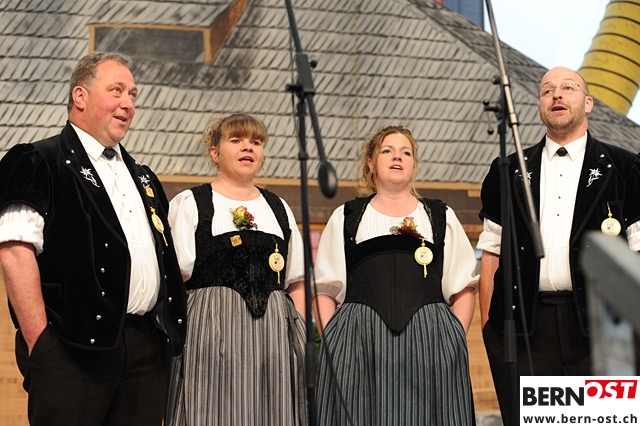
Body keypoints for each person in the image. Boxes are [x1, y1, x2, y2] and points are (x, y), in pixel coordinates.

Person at [0, 52, 188, 426]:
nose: (128, 103)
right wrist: (42, 345)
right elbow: (14, 252)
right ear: (80, 96)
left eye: (133, 94)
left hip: (145, 350)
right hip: (71, 351)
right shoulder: (38, 160)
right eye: (116, 90)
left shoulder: (144, 177)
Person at [477, 66, 640, 423]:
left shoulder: (626, 168)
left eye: (568, 87)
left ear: (588, 102)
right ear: (539, 105)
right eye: (547, 90)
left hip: (605, 330)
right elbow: (491, 255)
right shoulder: (508, 171)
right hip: (528, 331)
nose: (557, 94)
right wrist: (492, 330)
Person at [313, 125, 478, 426]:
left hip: (429, 342)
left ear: (414, 164)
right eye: (387, 150)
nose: (397, 157)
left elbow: (463, 287)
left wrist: (452, 339)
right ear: (371, 163)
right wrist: (334, 342)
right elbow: (325, 288)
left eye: (406, 152)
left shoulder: (440, 216)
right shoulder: (347, 217)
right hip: (359, 343)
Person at [165, 113, 308, 426]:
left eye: (256, 142)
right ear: (215, 152)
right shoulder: (191, 202)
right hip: (210, 329)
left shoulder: (278, 207)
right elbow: (173, 278)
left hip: (273, 334)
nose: (248, 147)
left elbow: (295, 280)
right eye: (236, 140)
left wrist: (295, 336)